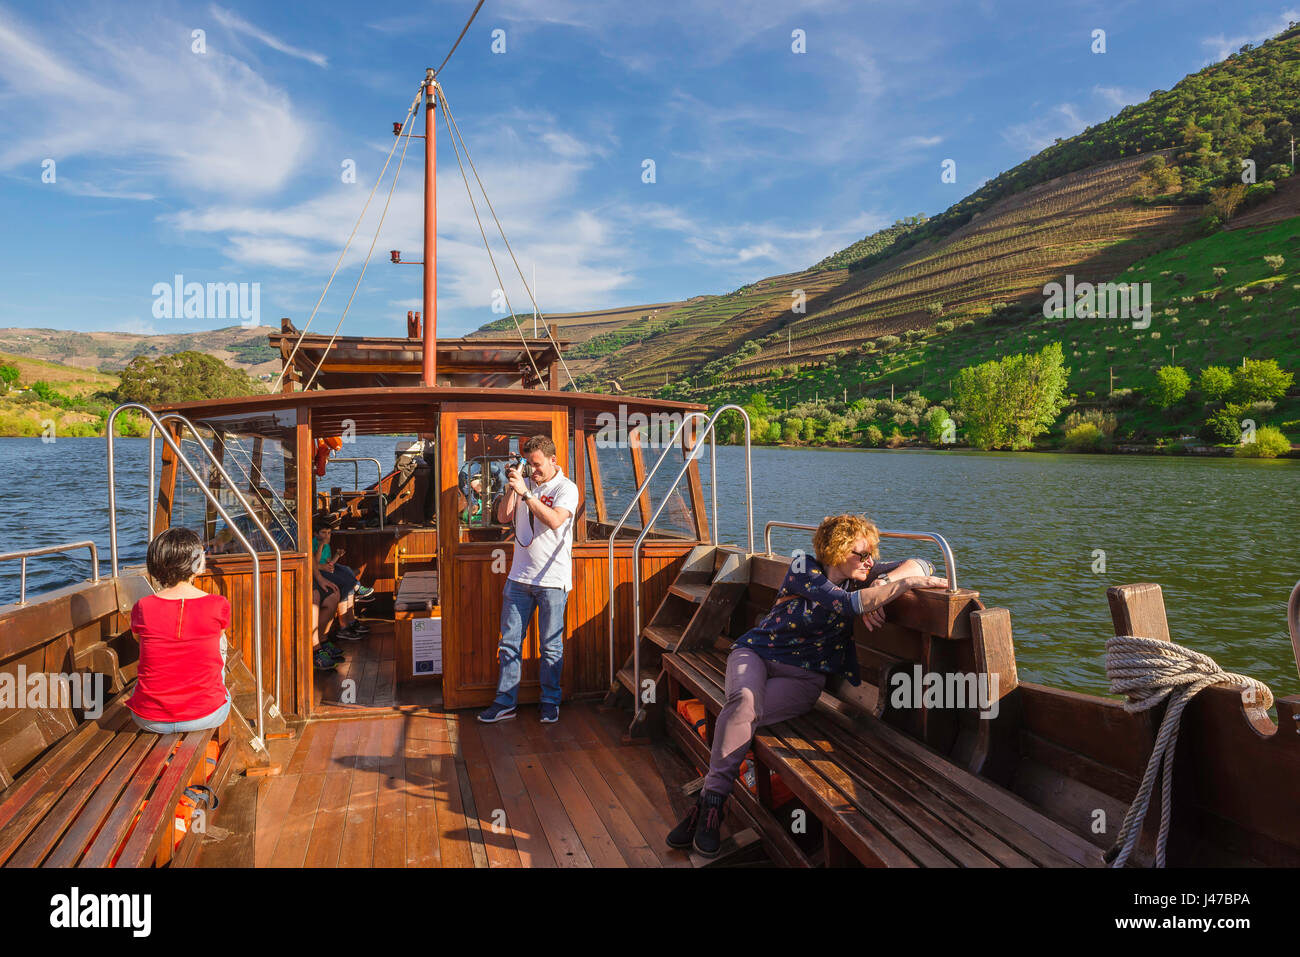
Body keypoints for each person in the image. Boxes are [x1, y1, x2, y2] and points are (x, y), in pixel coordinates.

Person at [665, 513, 947, 857]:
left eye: (872, 553)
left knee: (743, 714)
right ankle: (714, 803)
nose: (870, 560)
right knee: (742, 703)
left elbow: (924, 562)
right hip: (756, 653)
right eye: (862, 553)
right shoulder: (803, 567)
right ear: (836, 551)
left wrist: (882, 581)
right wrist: (899, 588)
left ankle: (705, 807)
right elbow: (847, 606)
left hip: (804, 679)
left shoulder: (862, 574)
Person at [477, 435, 579, 725]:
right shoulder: (524, 485)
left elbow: (556, 520)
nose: (533, 471)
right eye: (529, 465)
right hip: (519, 578)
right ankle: (505, 702)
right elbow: (502, 516)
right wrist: (514, 486)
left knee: (551, 646)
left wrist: (528, 493)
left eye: (537, 465)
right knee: (509, 644)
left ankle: (550, 702)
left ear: (552, 460)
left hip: (552, 581)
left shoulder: (566, 488)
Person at [127, 527, 232, 733]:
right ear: (197, 564)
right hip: (206, 714)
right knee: (219, 641)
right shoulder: (218, 604)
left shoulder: (143, 607)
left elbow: (138, 639)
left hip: (149, 719)